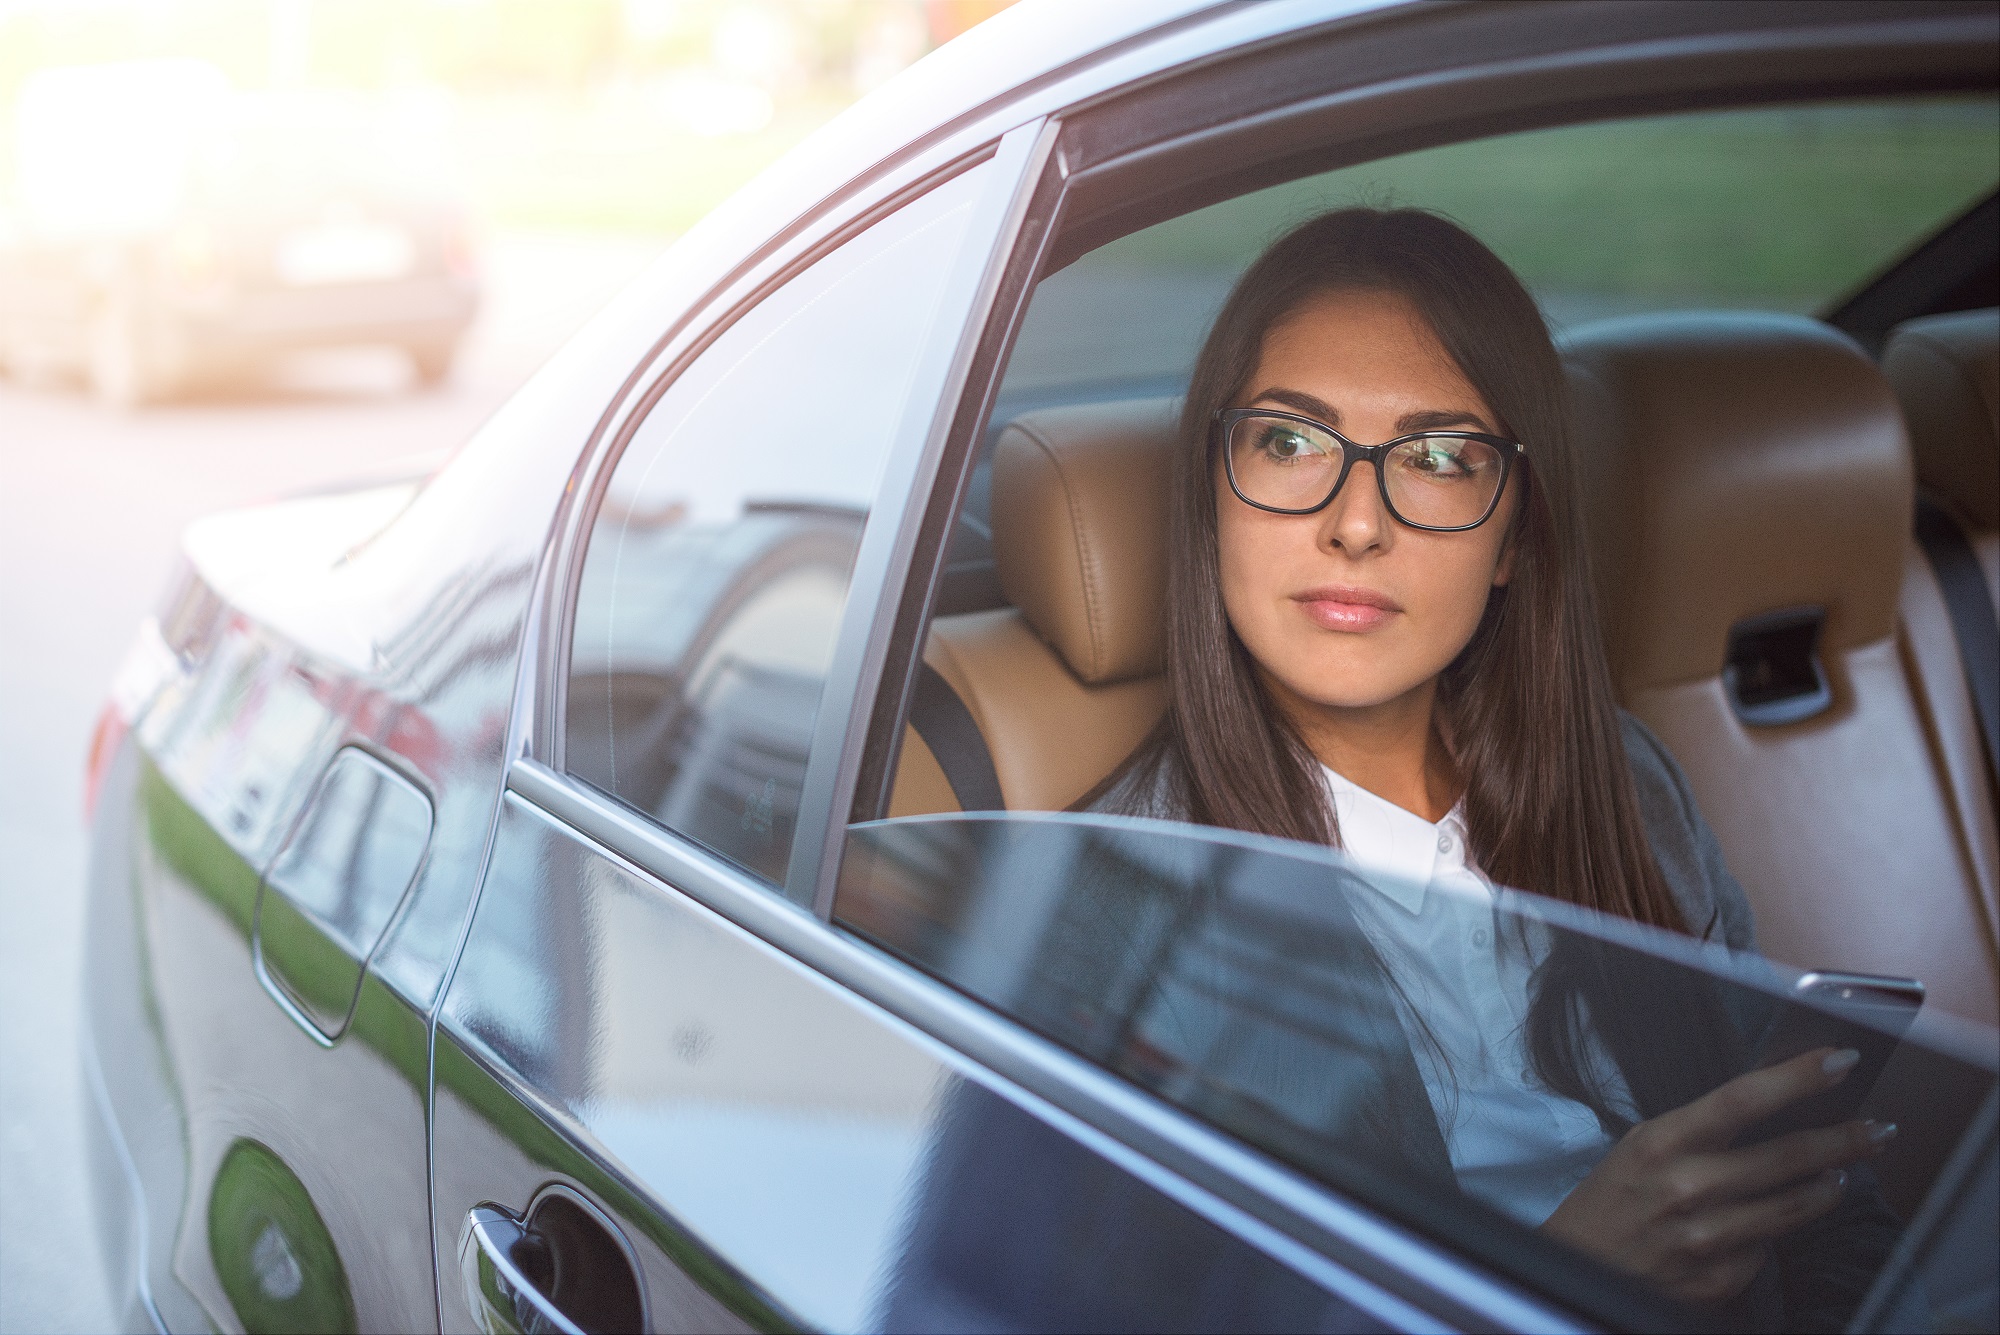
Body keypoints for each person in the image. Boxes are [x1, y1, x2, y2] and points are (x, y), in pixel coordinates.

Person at [1088, 208, 1896, 1329]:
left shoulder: (1625, 782)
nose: (1356, 524)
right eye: (1290, 442)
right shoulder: (1111, 906)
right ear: (1209, 495)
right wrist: (1547, 1278)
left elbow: (1807, 1208)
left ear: (1513, 536)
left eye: (1436, 459)